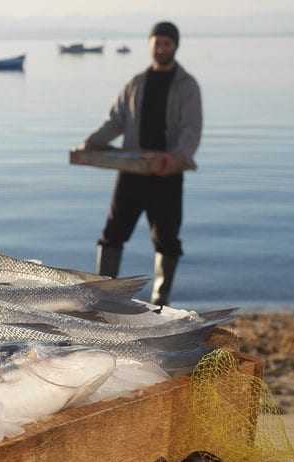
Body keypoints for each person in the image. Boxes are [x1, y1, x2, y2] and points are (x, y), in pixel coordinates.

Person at [81, 21, 202, 306]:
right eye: (157, 43)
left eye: (167, 44)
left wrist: (175, 157)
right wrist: (93, 142)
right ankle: (104, 299)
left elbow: (191, 130)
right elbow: (116, 120)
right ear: (150, 44)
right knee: (112, 235)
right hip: (132, 172)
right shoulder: (136, 83)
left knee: (167, 241)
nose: (161, 48)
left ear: (175, 46)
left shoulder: (187, 86)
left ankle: (161, 302)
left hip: (167, 174)